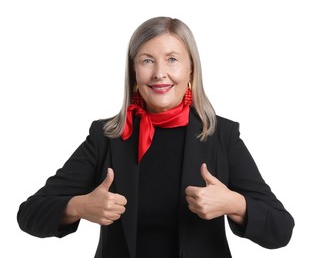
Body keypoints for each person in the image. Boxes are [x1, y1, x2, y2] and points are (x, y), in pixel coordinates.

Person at [17, 16, 294, 258]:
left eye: (172, 59)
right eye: (147, 60)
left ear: (191, 71)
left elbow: (281, 230)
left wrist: (234, 203)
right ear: (135, 73)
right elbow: (29, 214)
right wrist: (78, 206)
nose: (159, 73)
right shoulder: (107, 136)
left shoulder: (222, 135)